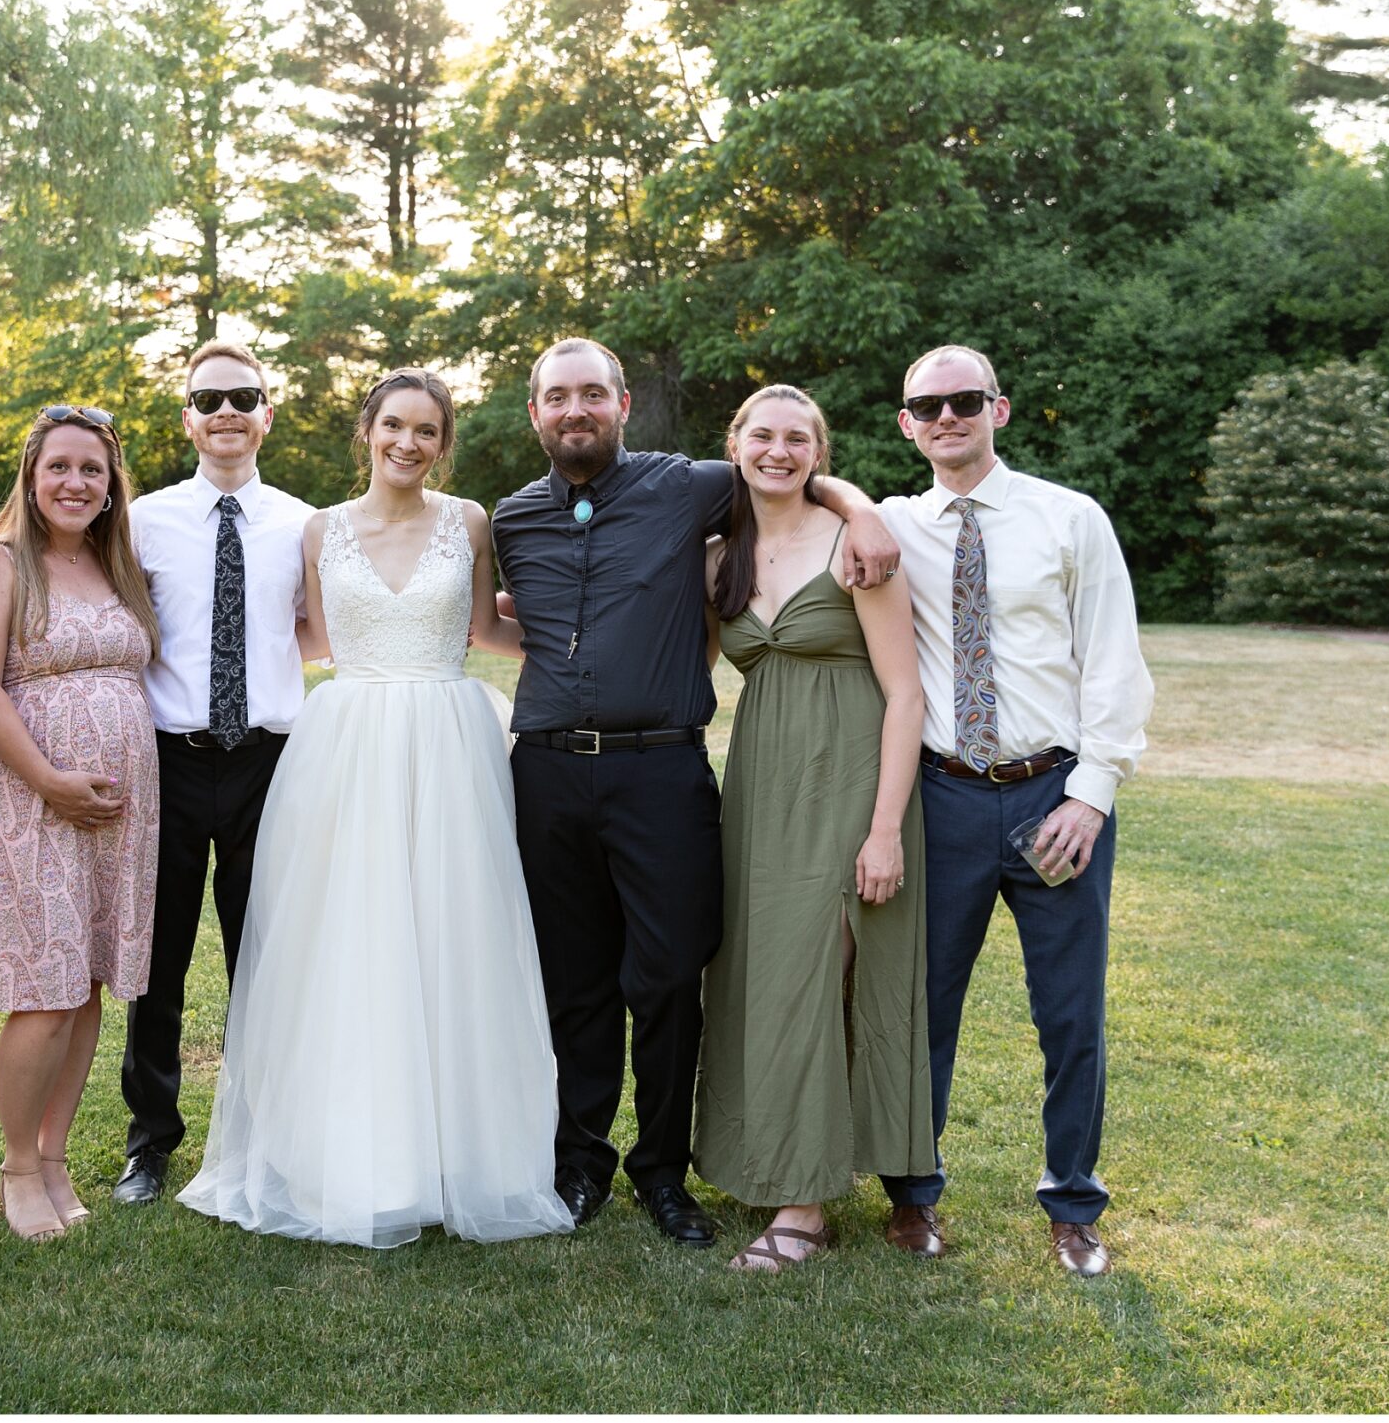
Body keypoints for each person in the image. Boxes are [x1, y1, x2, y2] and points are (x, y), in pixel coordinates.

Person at [491, 338, 901, 1247]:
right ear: (535, 413)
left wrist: (860, 506)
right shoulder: (512, 519)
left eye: (592, 393)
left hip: (662, 768)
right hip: (549, 771)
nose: (575, 410)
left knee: (672, 975)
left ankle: (663, 1173)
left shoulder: (686, 485)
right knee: (576, 978)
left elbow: (785, 466)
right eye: (557, 397)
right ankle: (581, 1161)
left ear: (623, 402)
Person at [178, 370, 571, 1247]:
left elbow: (485, 630)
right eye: (393, 424)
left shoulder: (469, 522)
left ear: (443, 443)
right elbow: (311, 638)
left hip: (448, 738)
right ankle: (356, 1156)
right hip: (349, 741)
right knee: (353, 940)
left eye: (426, 430)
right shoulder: (320, 530)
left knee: (452, 936)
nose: (408, 442)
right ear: (367, 430)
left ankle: (456, 1154)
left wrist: (581, 639)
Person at [872, 345, 1154, 1279]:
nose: (947, 416)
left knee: (1070, 1014)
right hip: (943, 797)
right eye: (927, 405)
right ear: (907, 424)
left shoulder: (1070, 519)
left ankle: (1073, 1203)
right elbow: (795, 487)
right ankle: (913, 1196)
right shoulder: (890, 524)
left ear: (999, 408)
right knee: (925, 1007)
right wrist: (839, 498)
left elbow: (1113, 658)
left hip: (1053, 795)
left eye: (965, 400)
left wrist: (1092, 791)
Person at [693, 385, 934, 1270]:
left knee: (815, 975)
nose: (779, 450)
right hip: (760, 788)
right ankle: (763, 1160)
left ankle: (804, 1204)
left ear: (819, 454)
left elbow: (905, 692)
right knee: (758, 976)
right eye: (764, 434)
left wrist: (884, 831)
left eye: (799, 439)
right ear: (737, 442)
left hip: (851, 778)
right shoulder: (719, 553)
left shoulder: (856, 546)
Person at [112, 343, 315, 1207]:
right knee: (158, 957)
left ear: (268, 413)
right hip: (170, 758)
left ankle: (267, 1137)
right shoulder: (141, 521)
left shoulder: (307, 524)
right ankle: (150, 1141)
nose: (227, 411)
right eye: (209, 398)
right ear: (187, 419)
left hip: (271, 760)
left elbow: (315, 627)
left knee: (264, 955)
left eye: (245, 396)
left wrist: (270, 676)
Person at [0, 406, 162, 1239]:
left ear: (112, 488)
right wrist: (50, 780)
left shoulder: (119, 568)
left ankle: (55, 1155)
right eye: (60, 468)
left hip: (119, 808)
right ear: (32, 477)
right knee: (44, 987)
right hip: (33, 802)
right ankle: (14, 1165)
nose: (76, 483)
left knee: (88, 985)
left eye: (93, 471)